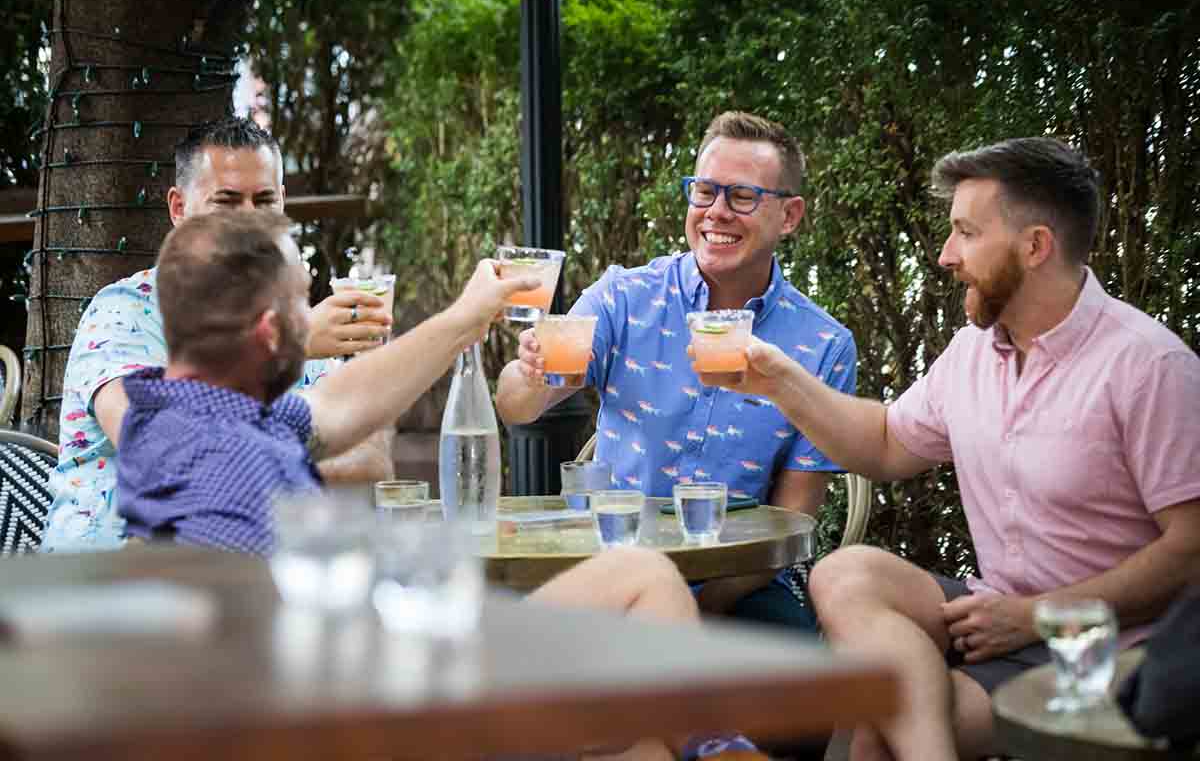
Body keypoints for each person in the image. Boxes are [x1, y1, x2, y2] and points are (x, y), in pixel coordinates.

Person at [116, 208, 761, 761]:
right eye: (301, 303)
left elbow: (338, 406)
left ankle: (705, 744)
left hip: (379, 678)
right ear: (270, 332)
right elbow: (295, 658)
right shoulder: (233, 466)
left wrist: (467, 317)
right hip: (396, 707)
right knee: (641, 590)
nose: (315, 316)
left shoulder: (181, 411)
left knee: (640, 700)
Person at [705, 137, 1200, 760]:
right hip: (994, 619)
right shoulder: (973, 353)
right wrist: (777, 379)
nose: (945, 256)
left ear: (1035, 246)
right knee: (845, 571)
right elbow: (885, 444)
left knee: (873, 734)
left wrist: (1036, 616)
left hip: (1110, 652)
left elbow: (1190, 551)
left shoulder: (1149, 367)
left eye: (965, 233)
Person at [496, 111, 857, 632]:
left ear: (790, 215)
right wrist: (531, 374)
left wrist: (698, 610)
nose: (717, 212)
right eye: (704, 192)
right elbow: (515, 405)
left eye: (743, 196)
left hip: (741, 583)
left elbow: (794, 522)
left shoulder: (823, 345)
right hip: (607, 569)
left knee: (792, 678)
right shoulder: (624, 296)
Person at [41, 117, 394, 553]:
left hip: (238, 579)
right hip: (107, 589)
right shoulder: (124, 311)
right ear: (179, 208)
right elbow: (157, 448)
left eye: (264, 201)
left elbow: (370, 457)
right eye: (225, 202)